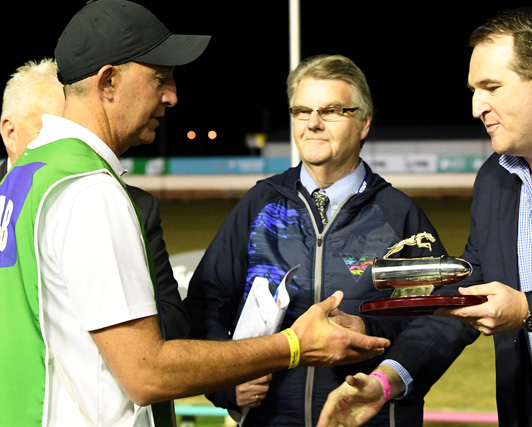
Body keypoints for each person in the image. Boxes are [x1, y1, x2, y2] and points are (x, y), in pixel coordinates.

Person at [0, 2, 390, 426]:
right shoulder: (90, 190)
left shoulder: (25, 175)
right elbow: (147, 372)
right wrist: (294, 345)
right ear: (108, 81)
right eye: (159, 78)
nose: (172, 95)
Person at [318, 7, 532, 427]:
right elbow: (468, 296)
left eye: (491, 86)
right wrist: (386, 379)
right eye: (473, 90)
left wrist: (529, 310)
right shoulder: (494, 178)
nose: (476, 107)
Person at [184, 54, 447, 427]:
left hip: (368, 417)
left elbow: (435, 322)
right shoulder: (260, 205)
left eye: (332, 111)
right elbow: (204, 305)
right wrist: (227, 381)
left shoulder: (399, 215)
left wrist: (368, 331)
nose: (313, 123)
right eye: (302, 110)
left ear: (364, 122)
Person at [0, 58, 190, 340]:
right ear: (10, 133)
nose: (61, 142)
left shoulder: (131, 206)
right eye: (48, 130)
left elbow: (172, 323)